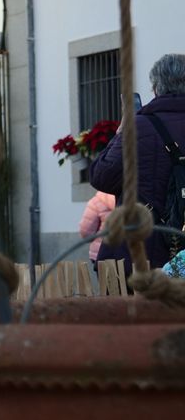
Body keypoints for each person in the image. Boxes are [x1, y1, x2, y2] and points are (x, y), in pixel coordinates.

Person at [91, 52, 185, 269]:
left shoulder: (139, 126)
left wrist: (120, 132)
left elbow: (102, 176)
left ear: (156, 88)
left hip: (138, 252)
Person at [78, 190, 116, 265]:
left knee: (104, 276)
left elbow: (86, 232)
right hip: (128, 253)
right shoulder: (133, 200)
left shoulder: (96, 202)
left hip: (101, 253)